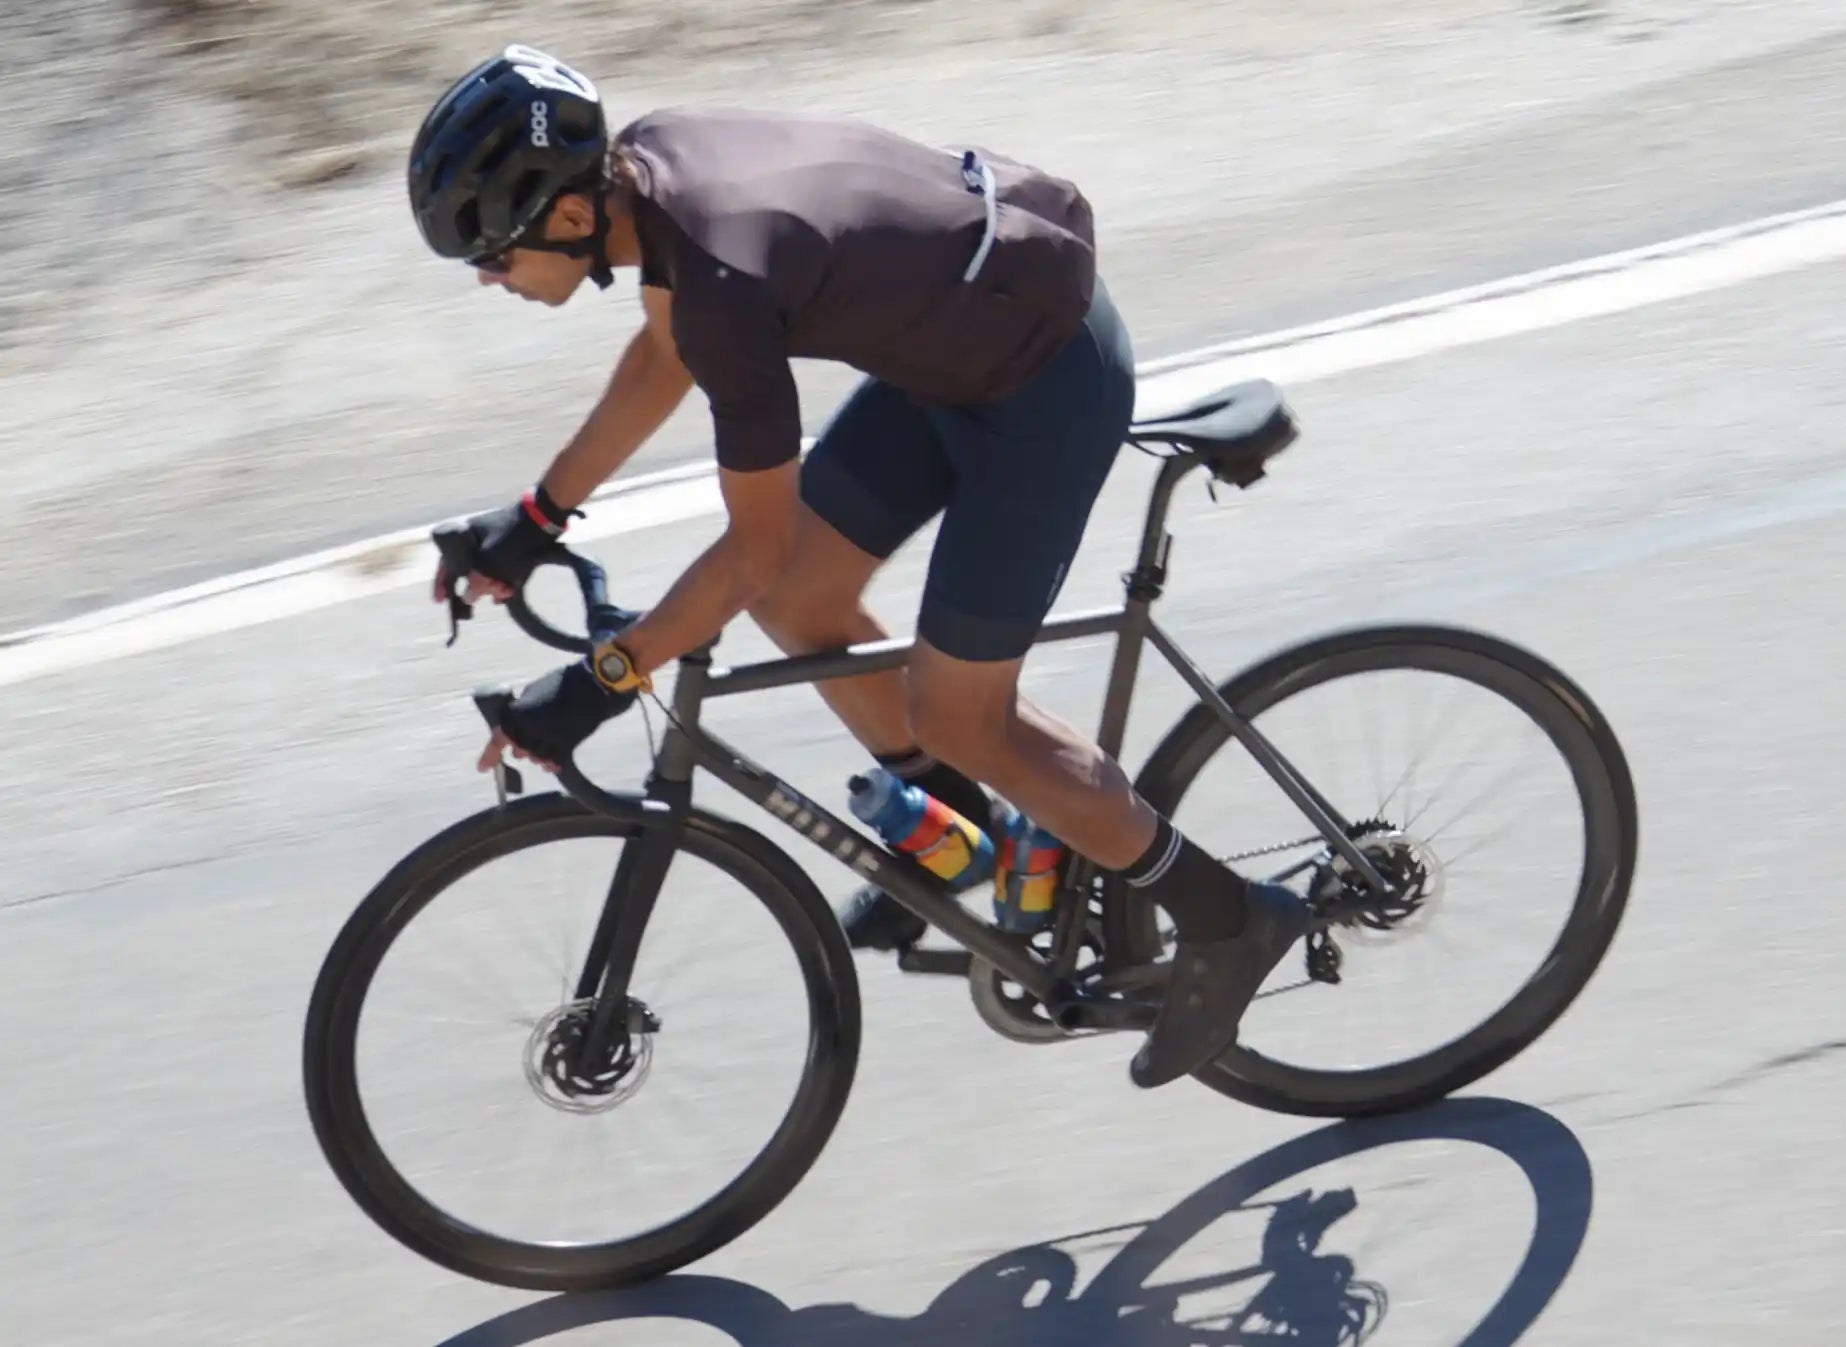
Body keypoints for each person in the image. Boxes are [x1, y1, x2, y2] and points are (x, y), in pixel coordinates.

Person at [406, 44, 1310, 1089]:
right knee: (801, 603)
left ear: (567, 219)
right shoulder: (647, 172)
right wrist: (539, 514)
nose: (486, 279)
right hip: (951, 356)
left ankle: (1227, 919)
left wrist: (607, 678)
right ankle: (974, 840)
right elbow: (666, 355)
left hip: (1043, 389)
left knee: (960, 714)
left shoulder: (721, 279)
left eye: (491, 255)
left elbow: (752, 541)